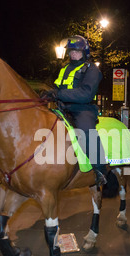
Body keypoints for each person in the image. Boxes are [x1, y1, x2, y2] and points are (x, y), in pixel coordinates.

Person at [43, 35, 106, 187]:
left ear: (85, 52)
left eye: (77, 51)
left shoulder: (92, 70)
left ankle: (100, 170)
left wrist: (59, 94)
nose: (73, 54)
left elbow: (86, 94)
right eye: (71, 51)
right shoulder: (65, 69)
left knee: (86, 131)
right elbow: (58, 88)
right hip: (62, 108)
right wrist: (48, 94)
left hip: (82, 109)